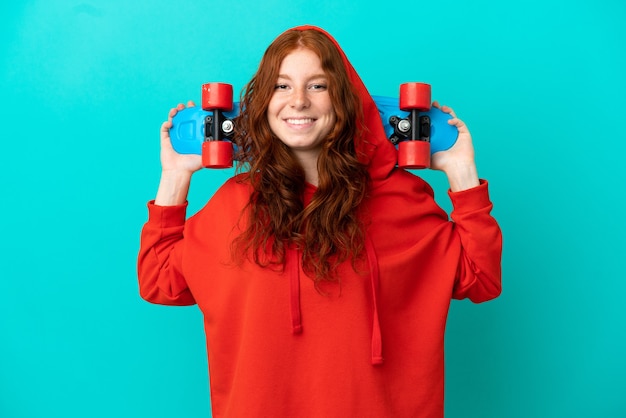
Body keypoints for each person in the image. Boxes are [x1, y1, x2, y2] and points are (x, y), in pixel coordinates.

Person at [137, 25, 502, 418]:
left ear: (345, 100)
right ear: (262, 102)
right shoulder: (235, 204)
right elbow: (160, 282)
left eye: (317, 86)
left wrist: (462, 172)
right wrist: (174, 177)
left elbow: (481, 278)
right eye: (281, 86)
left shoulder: (400, 199)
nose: (298, 101)